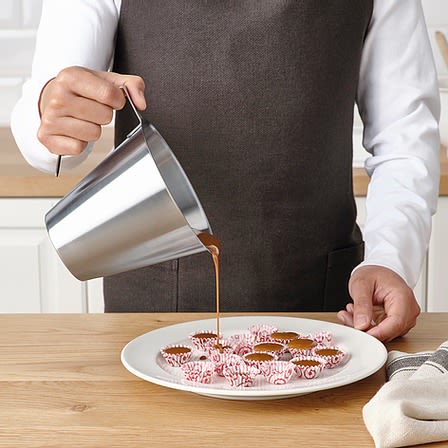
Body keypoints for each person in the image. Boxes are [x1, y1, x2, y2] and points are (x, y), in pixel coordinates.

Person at [11, 0, 440, 342]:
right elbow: (49, 125)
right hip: (148, 315)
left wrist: (390, 259)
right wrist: (51, 112)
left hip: (326, 308)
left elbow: (403, 138)